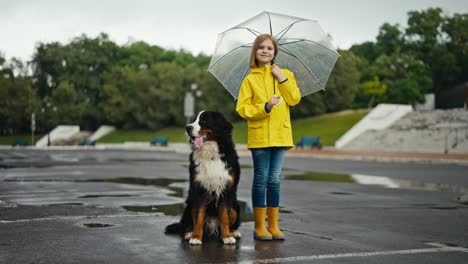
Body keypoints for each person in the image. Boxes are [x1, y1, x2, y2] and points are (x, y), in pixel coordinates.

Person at [236, 34, 301, 240]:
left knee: (275, 180)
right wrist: (266, 106)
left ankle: (273, 225)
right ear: (255, 52)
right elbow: (242, 109)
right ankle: (259, 227)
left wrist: (281, 77)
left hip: (281, 135)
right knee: (262, 178)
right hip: (260, 137)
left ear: (275, 52)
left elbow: (294, 99)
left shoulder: (285, 74)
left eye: (270, 48)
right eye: (261, 47)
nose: (265, 51)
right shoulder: (250, 79)